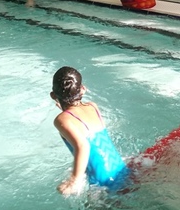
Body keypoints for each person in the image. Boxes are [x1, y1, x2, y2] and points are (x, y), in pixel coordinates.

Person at [51, 67, 129, 195]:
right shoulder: (93, 106)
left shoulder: (62, 120)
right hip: (120, 169)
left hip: (102, 180)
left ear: (53, 95)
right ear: (83, 89)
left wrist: (74, 181)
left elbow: (83, 146)